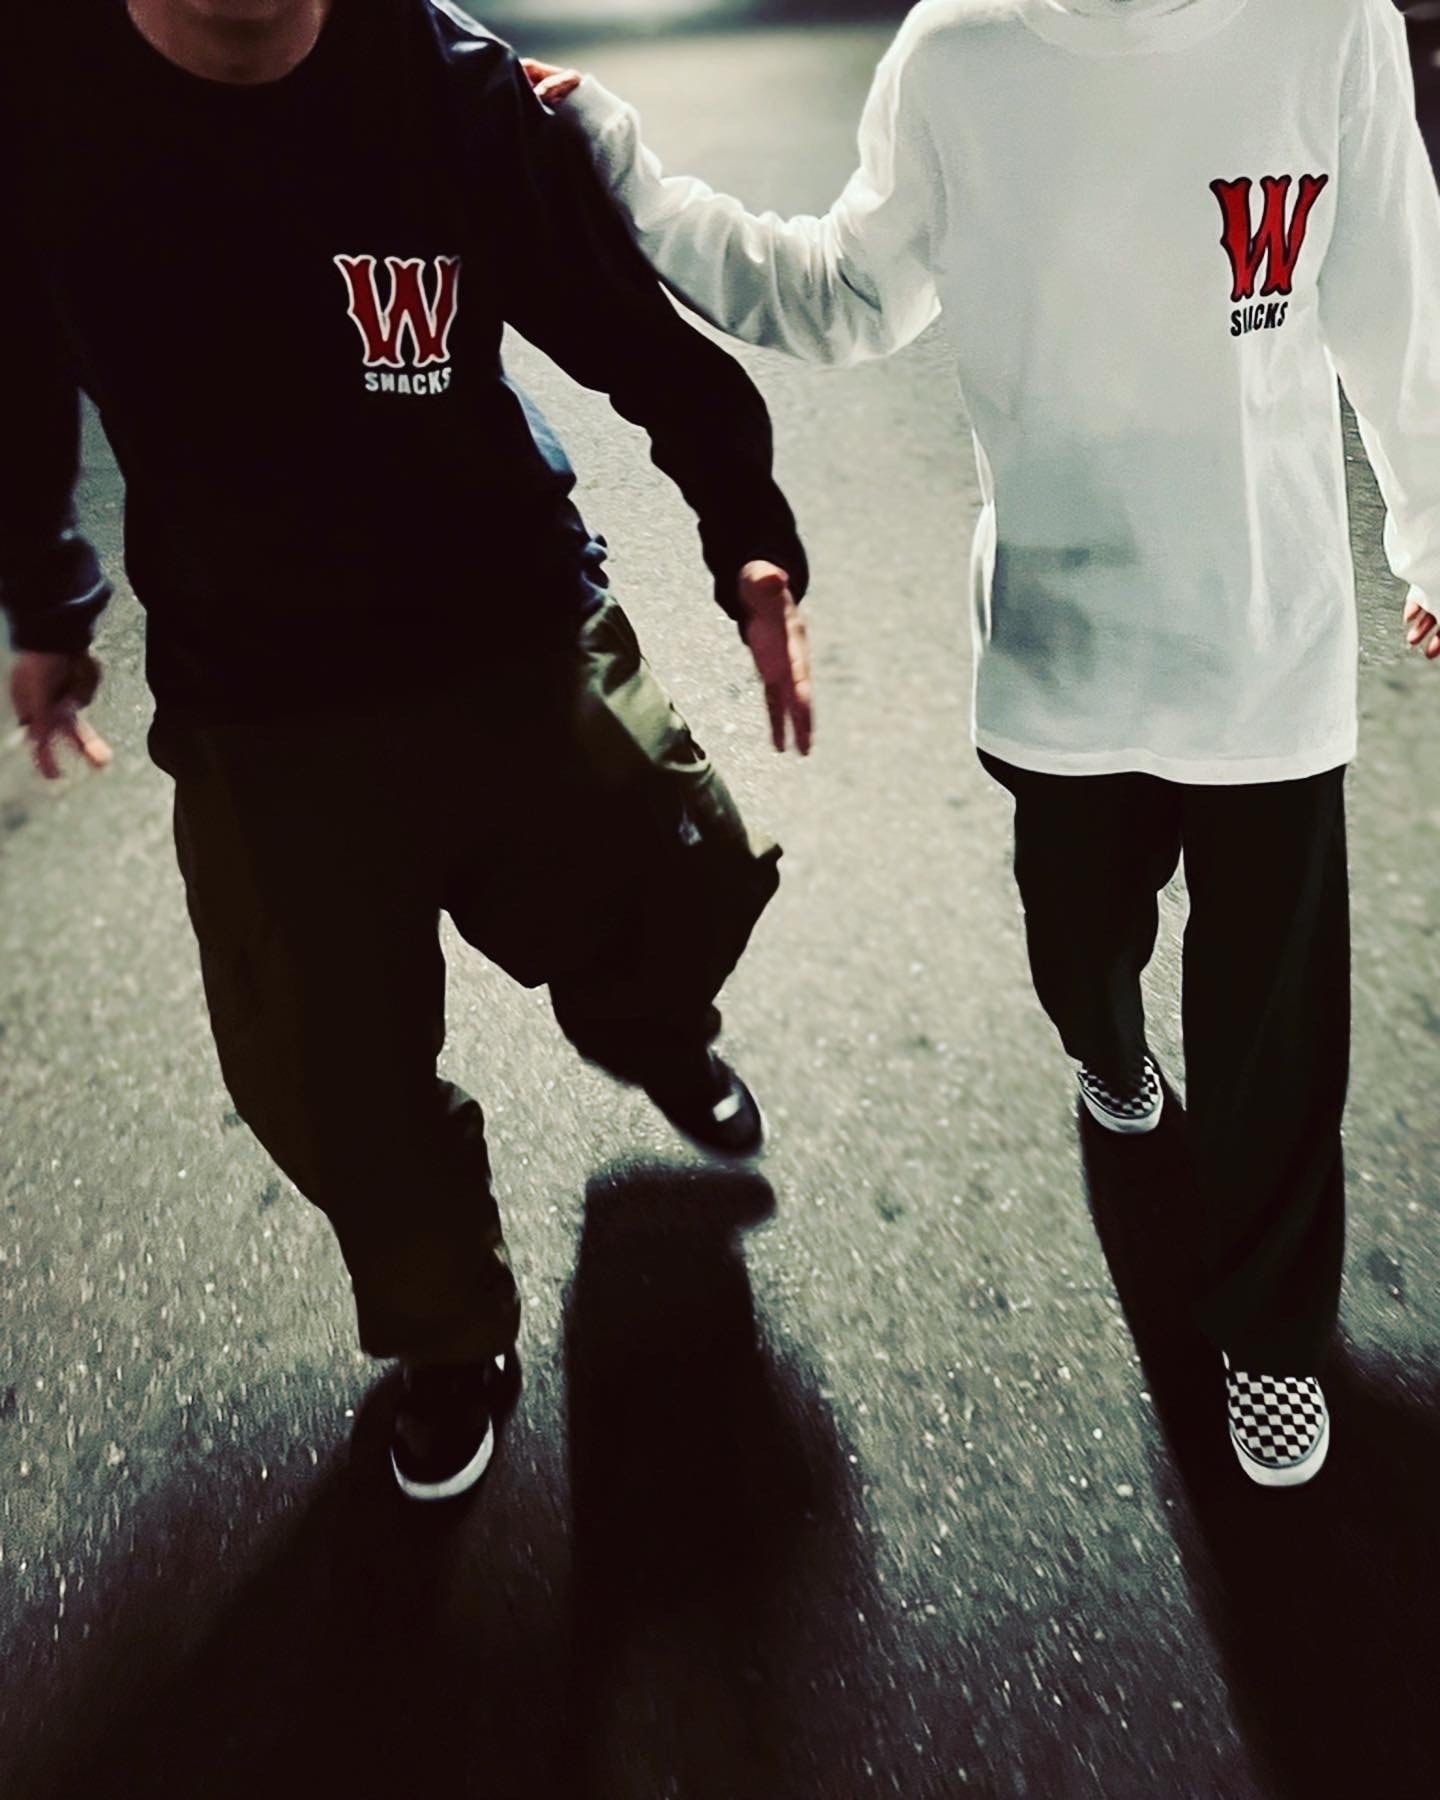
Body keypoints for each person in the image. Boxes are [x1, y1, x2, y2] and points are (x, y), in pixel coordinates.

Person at [527, 0, 1440, 1487]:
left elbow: (1402, 302)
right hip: (1062, 645)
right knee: (1080, 948)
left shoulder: (1326, 28)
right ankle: (1108, 1051)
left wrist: (1433, 534)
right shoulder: (962, 52)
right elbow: (836, 293)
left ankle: (1272, 1328)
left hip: (1265, 641)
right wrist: (622, 165)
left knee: (1275, 1032)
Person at [0, 0, 815, 1504]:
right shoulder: (40, 97)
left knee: (684, 876)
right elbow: (15, 358)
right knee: (325, 1073)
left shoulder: (454, 93)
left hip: (511, 617)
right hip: (258, 687)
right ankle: (450, 1335)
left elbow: (634, 336)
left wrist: (748, 535)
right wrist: (47, 602)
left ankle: (644, 1023)